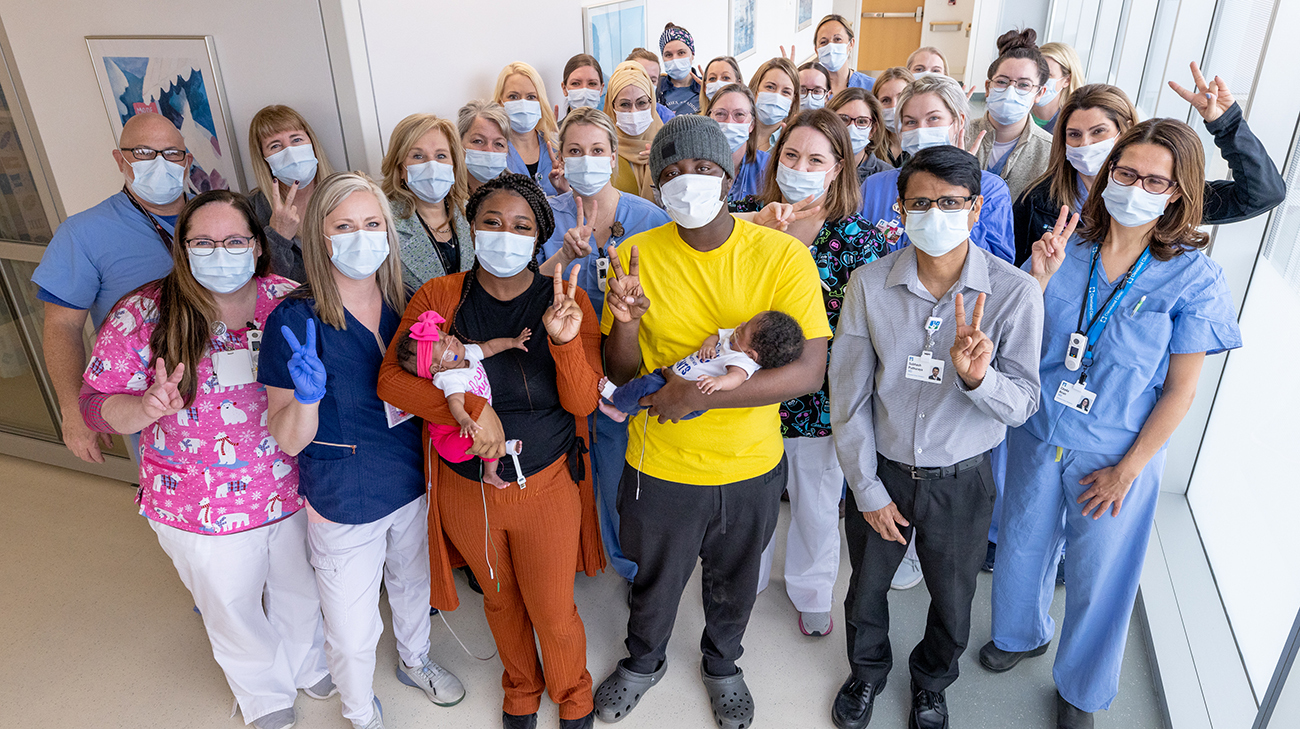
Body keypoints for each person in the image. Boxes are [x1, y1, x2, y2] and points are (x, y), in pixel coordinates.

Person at [983, 119, 1243, 729]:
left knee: (1101, 577)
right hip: (1039, 428)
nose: (1137, 187)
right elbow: (1017, 337)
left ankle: (1082, 687)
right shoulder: (1064, 246)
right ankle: (1020, 634)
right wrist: (1036, 279)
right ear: (1107, 177)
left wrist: (1129, 470)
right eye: (1126, 174)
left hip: (1115, 451)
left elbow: (1181, 391)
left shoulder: (1192, 277)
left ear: (1178, 191)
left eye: (1156, 180)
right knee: (1020, 543)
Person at [593, 114, 832, 729]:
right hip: (660, 464)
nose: (687, 182)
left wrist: (697, 397)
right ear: (654, 183)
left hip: (749, 465)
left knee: (735, 581)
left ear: (729, 176)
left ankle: (723, 664)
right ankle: (643, 661)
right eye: (670, 173)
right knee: (654, 580)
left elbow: (807, 371)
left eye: (702, 169)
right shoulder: (633, 254)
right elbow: (619, 374)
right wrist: (623, 321)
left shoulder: (781, 256)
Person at [79, 190, 329, 729]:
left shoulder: (287, 300)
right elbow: (95, 406)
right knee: (233, 606)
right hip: (199, 505)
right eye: (203, 242)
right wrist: (142, 408)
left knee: (300, 587)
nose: (221, 251)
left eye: (235, 240)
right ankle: (264, 693)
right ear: (182, 248)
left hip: (292, 486)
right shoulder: (144, 313)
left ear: (258, 247)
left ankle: (309, 663)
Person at [376, 173, 605, 729]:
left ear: (540, 237)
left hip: (545, 484)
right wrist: (476, 412)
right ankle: (521, 687)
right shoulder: (439, 297)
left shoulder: (566, 302)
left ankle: (573, 693)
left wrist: (566, 340)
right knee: (499, 602)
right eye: (492, 223)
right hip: (466, 490)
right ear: (470, 228)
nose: (506, 235)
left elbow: (582, 402)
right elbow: (392, 381)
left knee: (552, 608)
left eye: (522, 226)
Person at [829, 145, 1044, 729]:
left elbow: (1024, 403)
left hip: (962, 480)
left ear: (975, 210)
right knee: (866, 591)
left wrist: (978, 378)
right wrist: (866, 487)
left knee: (952, 599)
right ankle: (866, 673)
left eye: (950, 203)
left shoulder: (1015, 292)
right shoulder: (869, 285)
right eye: (921, 203)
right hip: (886, 472)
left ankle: (931, 683)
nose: (935, 214)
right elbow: (846, 395)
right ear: (900, 210)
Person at [259, 172, 465, 729]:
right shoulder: (295, 320)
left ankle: (415, 660)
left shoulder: (408, 303)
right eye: (344, 226)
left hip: (411, 477)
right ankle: (358, 711)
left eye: (372, 224)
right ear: (319, 237)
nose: (361, 236)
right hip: (344, 492)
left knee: (412, 583)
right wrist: (306, 398)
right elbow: (288, 438)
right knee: (350, 630)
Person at [731, 108, 890, 638]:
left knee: (816, 501)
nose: (801, 167)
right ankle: (742, 580)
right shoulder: (746, 221)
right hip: (749, 390)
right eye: (791, 156)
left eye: (816, 159)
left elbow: (867, 327)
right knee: (751, 502)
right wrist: (765, 233)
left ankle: (811, 589)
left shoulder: (860, 240)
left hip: (821, 397)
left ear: (838, 167)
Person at [537, 105, 670, 583]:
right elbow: (520, 291)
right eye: (576, 151)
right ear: (560, 157)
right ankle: (570, 557)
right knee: (561, 475)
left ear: (614, 158)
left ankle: (630, 567)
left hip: (624, 374)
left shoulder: (650, 219)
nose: (587, 159)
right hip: (560, 369)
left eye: (597, 150)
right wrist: (562, 256)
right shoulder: (542, 216)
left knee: (618, 477)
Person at [32, 112, 189, 464]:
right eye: (144, 153)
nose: (160, 164)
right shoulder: (84, 233)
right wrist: (74, 412)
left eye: (171, 153)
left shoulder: (217, 218)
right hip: (144, 403)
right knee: (175, 502)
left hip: (227, 391)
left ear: (187, 161)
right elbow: (62, 327)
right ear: (120, 160)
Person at [1013, 68, 1285, 265]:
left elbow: (1263, 194)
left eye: (1099, 132)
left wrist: (1227, 124)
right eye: (1074, 135)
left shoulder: (1163, 193)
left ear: (1126, 132)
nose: (1085, 144)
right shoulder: (1037, 201)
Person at [859, 75, 1016, 263]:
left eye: (933, 118)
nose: (921, 129)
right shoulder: (875, 186)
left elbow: (997, 263)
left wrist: (960, 182)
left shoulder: (991, 188)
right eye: (910, 122)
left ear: (958, 122)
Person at [393, 309, 531, 488]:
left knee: (484, 434)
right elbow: (455, 402)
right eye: (443, 344)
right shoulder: (451, 378)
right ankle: (504, 448)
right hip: (448, 437)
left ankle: (490, 474)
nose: (450, 339)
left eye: (444, 335)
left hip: (468, 425)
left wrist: (512, 342)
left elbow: (489, 347)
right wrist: (465, 420)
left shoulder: (466, 353)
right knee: (480, 434)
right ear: (437, 368)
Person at [598, 311, 806, 421]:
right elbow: (715, 336)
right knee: (644, 389)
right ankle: (624, 412)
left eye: (744, 331)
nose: (740, 326)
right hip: (674, 374)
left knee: (644, 388)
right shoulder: (735, 341)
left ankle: (616, 399)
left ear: (752, 354)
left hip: (683, 393)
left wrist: (718, 382)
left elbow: (736, 379)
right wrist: (708, 345)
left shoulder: (743, 362)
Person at [381, 113, 475, 288]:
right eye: (418, 156)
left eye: (441, 156)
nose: (432, 165)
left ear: (454, 165)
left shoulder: (472, 214)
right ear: (400, 168)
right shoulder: (384, 224)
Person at [247, 105, 337, 283]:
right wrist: (278, 236)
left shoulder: (344, 195)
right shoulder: (252, 210)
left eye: (296, 139)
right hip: (293, 308)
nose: (289, 151)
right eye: (275, 146)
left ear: (311, 142)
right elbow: (263, 284)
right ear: (263, 158)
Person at [967, 30, 1055, 202]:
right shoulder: (960, 135)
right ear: (988, 87)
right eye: (1002, 82)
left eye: (1024, 85)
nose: (1010, 91)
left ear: (1039, 93)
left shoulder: (1049, 152)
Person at [495, 62, 563, 196]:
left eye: (531, 97)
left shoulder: (557, 147)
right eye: (513, 97)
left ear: (540, 102)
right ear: (500, 102)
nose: (523, 104)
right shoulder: (494, 152)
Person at [605, 61, 666, 203]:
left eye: (642, 103)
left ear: (652, 103)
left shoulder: (669, 146)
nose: (634, 112)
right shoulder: (602, 150)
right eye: (625, 104)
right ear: (612, 106)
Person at [705, 84, 770, 203]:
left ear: (752, 124)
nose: (729, 122)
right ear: (708, 118)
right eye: (720, 114)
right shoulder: (691, 166)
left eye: (739, 114)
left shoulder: (768, 167)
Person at [829, 88, 891, 182]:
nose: (852, 128)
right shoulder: (816, 170)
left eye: (862, 121)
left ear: (872, 130)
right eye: (843, 119)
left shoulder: (887, 177)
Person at [458, 99, 512, 196]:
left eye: (499, 144)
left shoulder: (520, 195)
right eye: (478, 141)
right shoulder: (444, 196)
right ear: (459, 143)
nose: (489, 150)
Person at [813, 14, 875, 95]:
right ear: (817, 50)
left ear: (851, 44)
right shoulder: (810, 89)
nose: (831, 47)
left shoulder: (871, 87)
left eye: (838, 39)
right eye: (823, 42)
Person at [749, 57, 802, 153]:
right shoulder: (737, 132)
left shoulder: (792, 142)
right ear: (755, 89)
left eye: (786, 92)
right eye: (770, 87)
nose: (777, 96)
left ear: (793, 101)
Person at [1032, 42, 1086, 133]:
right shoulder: (1018, 111)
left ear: (1066, 80)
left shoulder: (1073, 124)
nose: (1040, 79)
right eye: (1036, 72)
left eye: (1048, 75)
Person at [870, 67, 914, 167]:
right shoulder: (870, 147)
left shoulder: (924, 146)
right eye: (885, 100)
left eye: (901, 97)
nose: (894, 106)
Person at [657, 23, 702, 115]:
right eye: (668, 55)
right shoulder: (656, 87)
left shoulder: (705, 87)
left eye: (681, 53)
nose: (675, 59)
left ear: (692, 55)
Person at [625, 48, 677, 121]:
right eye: (642, 77)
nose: (647, 84)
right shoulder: (612, 113)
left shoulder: (666, 117)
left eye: (652, 80)